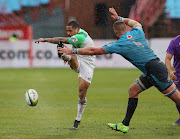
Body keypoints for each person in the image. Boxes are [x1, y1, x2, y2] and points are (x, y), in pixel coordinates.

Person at [58, 8, 180, 133]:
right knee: (133, 90)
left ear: (115, 32)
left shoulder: (120, 44)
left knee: (178, 99)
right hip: (152, 68)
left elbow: (94, 50)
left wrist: (72, 51)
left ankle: (125, 124)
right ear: (125, 29)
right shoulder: (137, 32)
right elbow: (136, 23)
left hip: (156, 72)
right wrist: (120, 18)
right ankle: (124, 125)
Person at [35, 21, 96, 130]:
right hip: (77, 58)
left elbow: (61, 39)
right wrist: (45, 40)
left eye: (70, 31)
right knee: (71, 56)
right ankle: (65, 57)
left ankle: (78, 118)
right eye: (67, 30)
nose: (68, 33)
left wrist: (45, 40)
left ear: (77, 29)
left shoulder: (81, 37)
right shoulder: (76, 35)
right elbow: (63, 40)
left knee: (82, 92)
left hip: (88, 64)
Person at [165, 35, 180, 125]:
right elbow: (168, 58)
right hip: (178, 74)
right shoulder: (175, 42)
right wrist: (170, 72)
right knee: (177, 98)